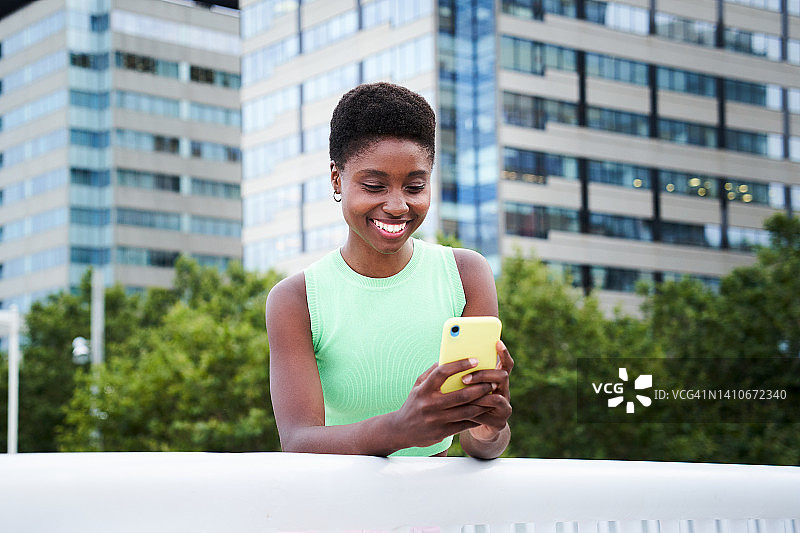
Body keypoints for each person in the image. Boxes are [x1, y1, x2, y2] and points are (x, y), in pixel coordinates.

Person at [265, 82, 513, 458]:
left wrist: (489, 426)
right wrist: (399, 429)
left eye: (415, 187)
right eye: (374, 186)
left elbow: (480, 446)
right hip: (339, 497)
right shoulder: (296, 299)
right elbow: (298, 442)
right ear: (336, 179)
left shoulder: (466, 275)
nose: (397, 206)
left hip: (435, 497)